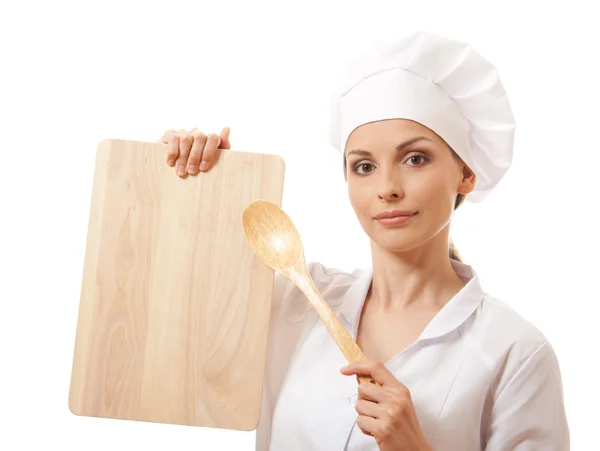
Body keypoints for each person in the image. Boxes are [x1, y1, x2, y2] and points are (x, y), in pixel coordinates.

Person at [158, 31, 569, 450]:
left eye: (415, 159)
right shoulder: (291, 302)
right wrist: (193, 183)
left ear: (465, 173)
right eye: (364, 166)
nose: (387, 187)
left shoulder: (514, 353)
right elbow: (168, 320)